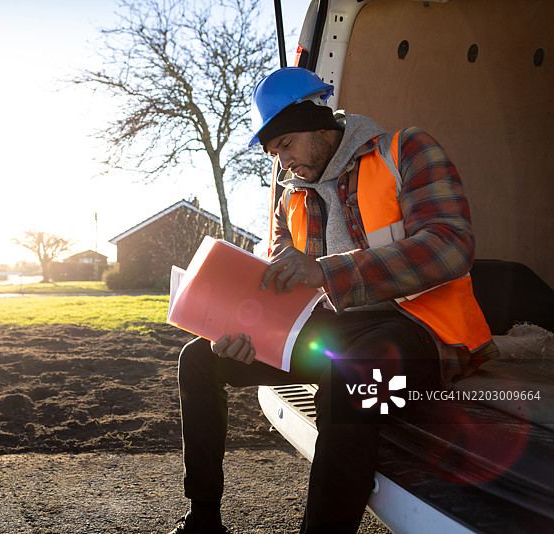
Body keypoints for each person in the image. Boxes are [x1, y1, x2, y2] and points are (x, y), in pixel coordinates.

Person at [168, 67, 498, 534]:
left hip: (423, 331)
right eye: (274, 155)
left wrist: (326, 271)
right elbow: (278, 284)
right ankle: (202, 519)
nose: (283, 165)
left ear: (317, 121)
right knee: (198, 360)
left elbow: (450, 246)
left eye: (284, 147)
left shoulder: (407, 150)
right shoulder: (288, 198)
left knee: (351, 371)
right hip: (335, 327)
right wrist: (245, 331)